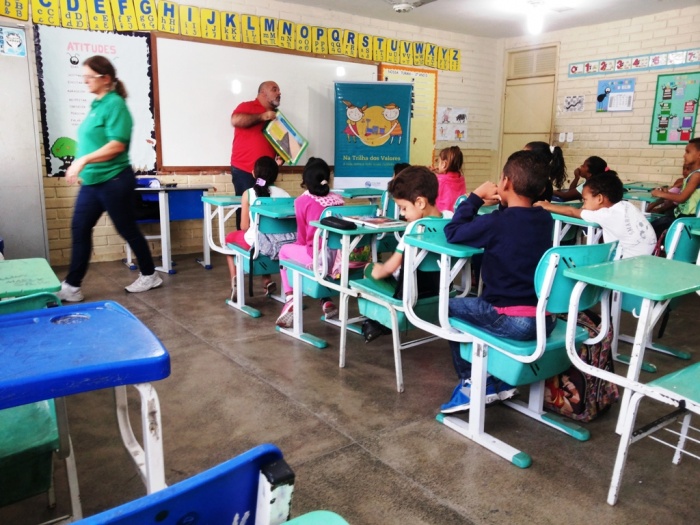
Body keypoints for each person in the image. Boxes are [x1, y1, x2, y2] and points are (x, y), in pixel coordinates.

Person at [440, 150, 557, 413]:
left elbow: (453, 232)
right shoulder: (544, 218)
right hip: (544, 319)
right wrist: (504, 202)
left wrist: (475, 198)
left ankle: (472, 383)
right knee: (477, 308)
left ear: (506, 182)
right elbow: (516, 222)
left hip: (513, 320)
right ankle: (499, 379)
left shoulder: (496, 223)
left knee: (446, 307)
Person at [56, 55, 162, 303]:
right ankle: (72, 286)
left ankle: (150, 275)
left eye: (89, 77)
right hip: (93, 182)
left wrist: (82, 161)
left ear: (105, 78)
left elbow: (117, 145)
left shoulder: (115, 105)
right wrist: (80, 166)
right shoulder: (97, 105)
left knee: (127, 229)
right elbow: (93, 141)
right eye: (83, 77)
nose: (85, 81)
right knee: (79, 227)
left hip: (114, 180)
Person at [361, 166, 444, 342]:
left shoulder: (413, 229)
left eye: (403, 207)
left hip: (409, 296)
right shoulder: (449, 222)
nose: (402, 214)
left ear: (420, 202)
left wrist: (376, 270)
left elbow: (388, 268)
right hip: (441, 293)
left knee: (369, 268)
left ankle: (379, 323)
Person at [276, 157, 345, 328]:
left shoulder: (302, 201)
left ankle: (291, 297)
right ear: (327, 178)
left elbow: (302, 237)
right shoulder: (338, 200)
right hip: (341, 257)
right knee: (316, 266)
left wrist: (298, 247)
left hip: (317, 255)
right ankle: (326, 300)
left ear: (305, 181)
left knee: (284, 251)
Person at [536, 171, 657, 259]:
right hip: (648, 257)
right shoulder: (627, 205)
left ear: (599, 198)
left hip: (628, 264)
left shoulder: (606, 214)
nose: (583, 205)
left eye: (585, 200)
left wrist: (547, 206)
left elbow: (572, 211)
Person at [225, 156, 293, 299]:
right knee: (264, 239)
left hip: (257, 243)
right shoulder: (285, 195)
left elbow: (244, 226)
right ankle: (267, 281)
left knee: (229, 239)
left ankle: (235, 280)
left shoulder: (249, 193)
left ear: (254, 173)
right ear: (276, 175)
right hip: (281, 243)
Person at [230, 81, 282, 229]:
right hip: (244, 170)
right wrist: (262, 116)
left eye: (279, 90)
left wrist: (282, 157)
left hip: (266, 173)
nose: (279, 93)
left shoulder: (278, 117)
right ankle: (244, 241)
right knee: (245, 211)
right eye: (274, 89)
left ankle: (264, 240)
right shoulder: (247, 106)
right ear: (263, 93)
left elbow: (283, 142)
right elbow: (235, 120)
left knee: (266, 208)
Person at [650, 138, 700, 237]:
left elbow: (682, 198)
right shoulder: (693, 174)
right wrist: (667, 193)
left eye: (688, 152)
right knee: (655, 225)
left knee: (652, 229)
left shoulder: (697, 175)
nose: (684, 155)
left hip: (688, 218)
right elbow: (684, 195)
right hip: (680, 214)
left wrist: (660, 194)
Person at [434, 146, 467, 213]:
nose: (438, 165)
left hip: (442, 216)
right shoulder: (461, 180)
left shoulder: (439, 180)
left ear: (444, 164)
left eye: (439, 162)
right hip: (457, 215)